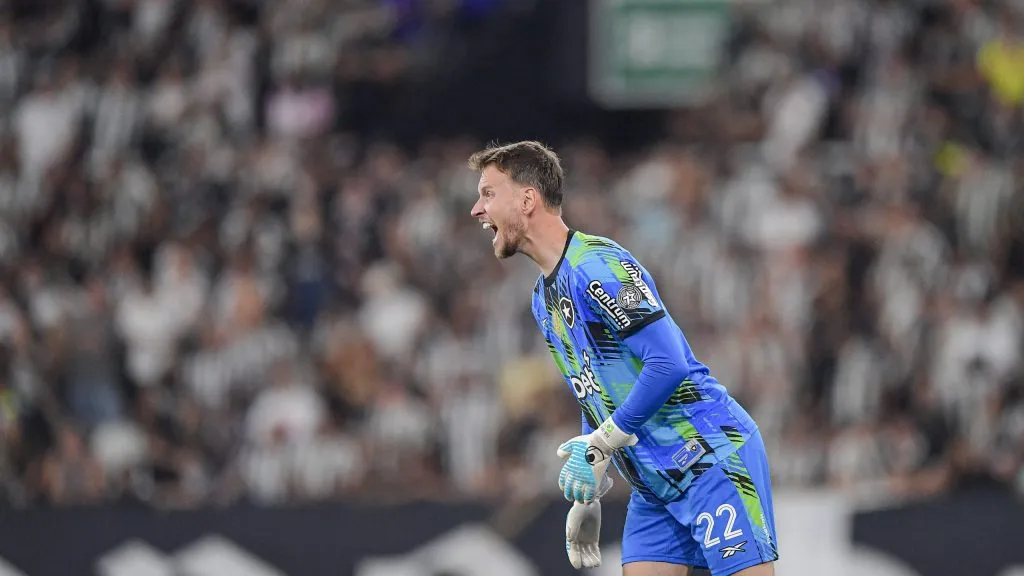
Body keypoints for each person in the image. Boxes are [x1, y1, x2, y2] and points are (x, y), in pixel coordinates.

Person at [468, 141, 778, 576]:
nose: (476, 210)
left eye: (487, 193)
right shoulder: (543, 299)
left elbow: (669, 363)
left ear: (526, 199)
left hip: (709, 455)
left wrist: (606, 441)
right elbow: (592, 392)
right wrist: (590, 484)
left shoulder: (596, 264)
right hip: (653, 482)